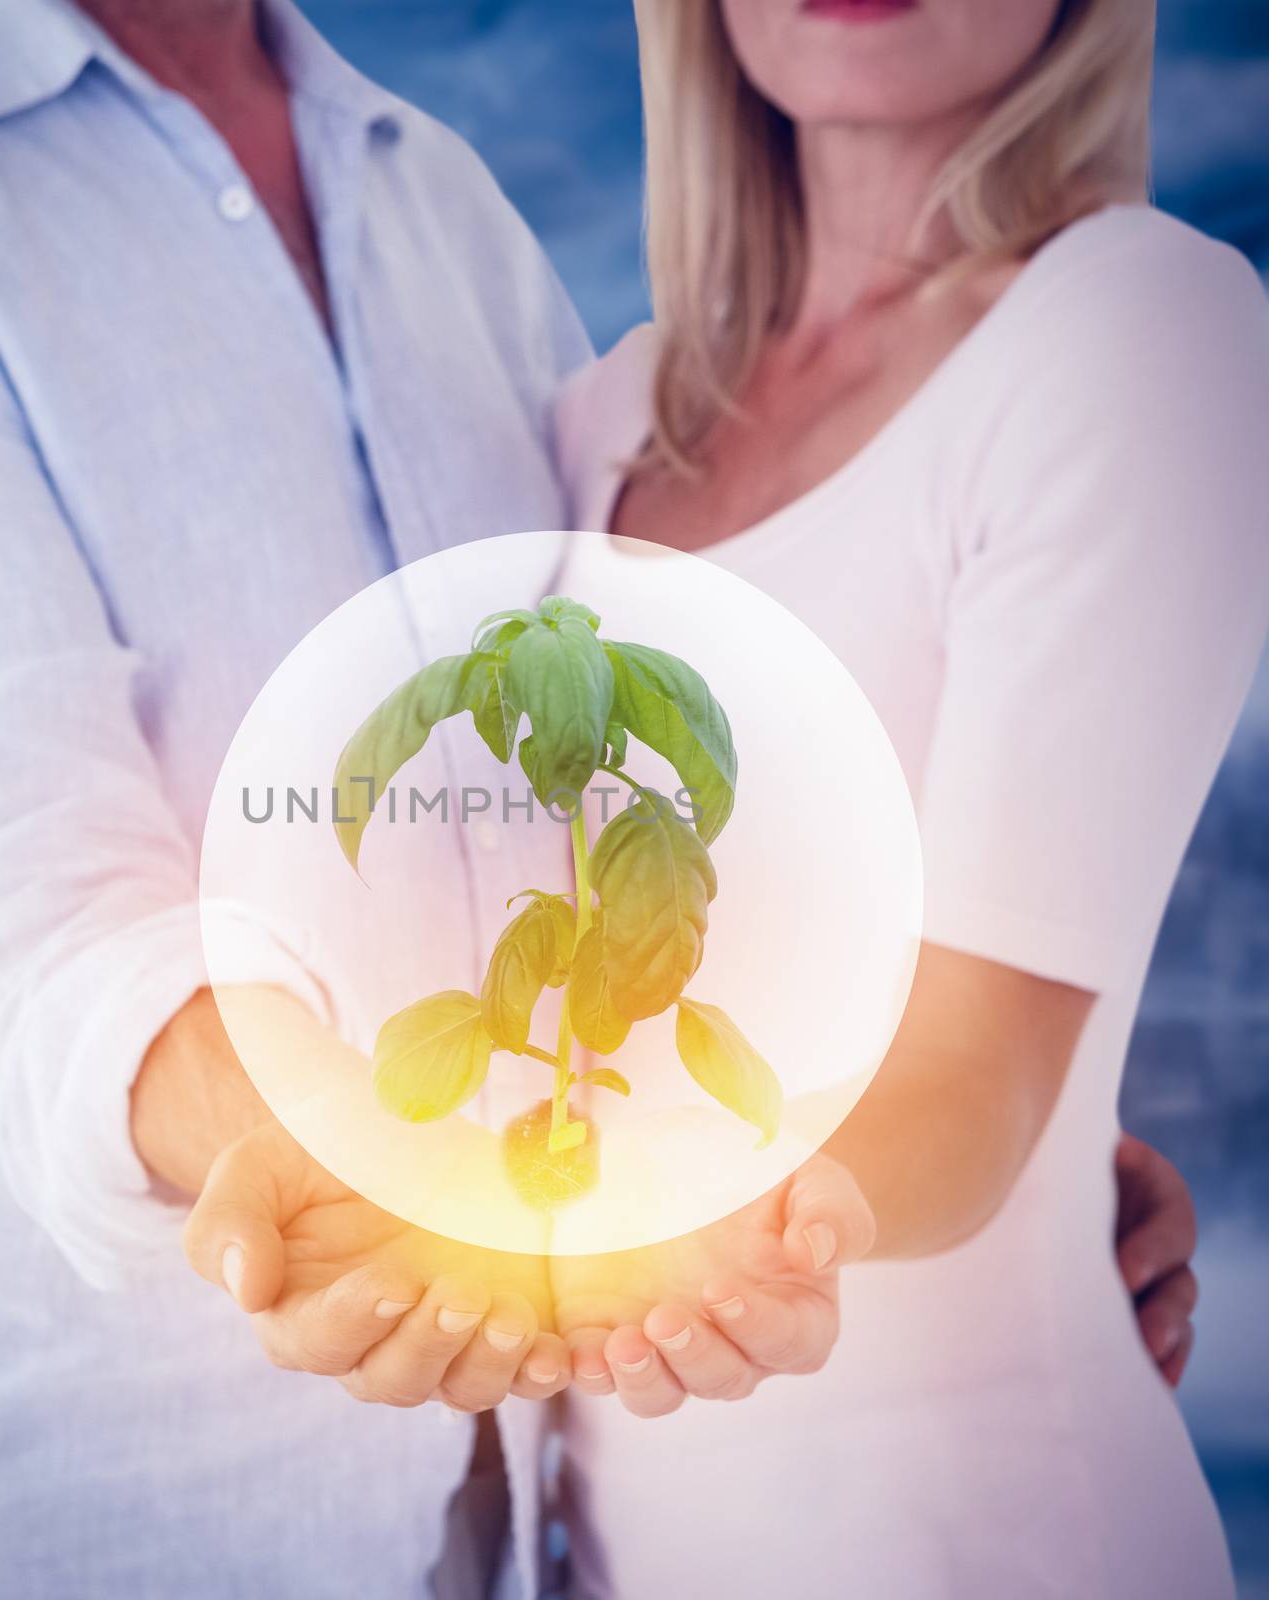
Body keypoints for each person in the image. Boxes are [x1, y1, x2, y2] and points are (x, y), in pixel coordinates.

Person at [0, 1, 1213, 1597]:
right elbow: (40, 905)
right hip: (22, 1542)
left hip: (490, 1551)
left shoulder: (442, 213)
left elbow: (587, 810)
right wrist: (319, 1158)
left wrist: (1004, 1136)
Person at [541, 0, 1269, 1593]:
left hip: (975, 1541)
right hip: (612, 1545)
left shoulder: (1135, 330)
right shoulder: (606, 416)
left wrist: (641, 1236)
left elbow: (972, 1077)